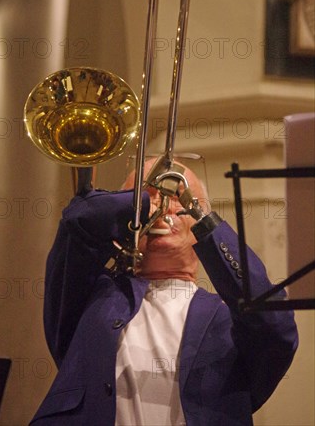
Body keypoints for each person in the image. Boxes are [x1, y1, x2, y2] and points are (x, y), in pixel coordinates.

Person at [30, 158, 298, 426]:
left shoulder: (228, 316)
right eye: (147, 195)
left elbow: (277, 328)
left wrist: (204, 221)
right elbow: (78, 223)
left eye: (177, 195)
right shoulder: (90, 295)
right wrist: (141, 204)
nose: (164, 206)